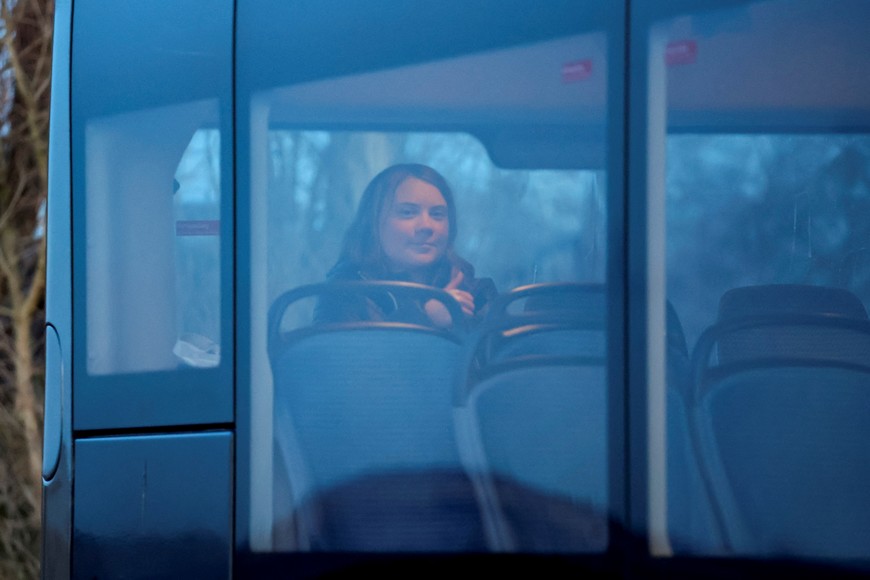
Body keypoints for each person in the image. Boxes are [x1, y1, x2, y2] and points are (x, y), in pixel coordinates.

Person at [315, 163, 497, 328]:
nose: (426, 226)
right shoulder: (344, 293)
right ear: (373, 224)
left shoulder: (476, 292)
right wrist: (426, 318)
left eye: (437, 214)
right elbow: (346, 362)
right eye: (408, 213)